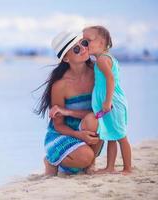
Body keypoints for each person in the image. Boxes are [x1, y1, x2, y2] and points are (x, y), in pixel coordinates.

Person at [35, 30, 103, 175]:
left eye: (84, 43)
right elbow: (58, 124)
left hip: (87, 126)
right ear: (66, 58)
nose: (84, 49)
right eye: (76, 49)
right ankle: (51, 161)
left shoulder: (98, 73)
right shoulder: (60, 85)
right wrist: (79, 135)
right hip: (62, 134)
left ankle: (89, 164)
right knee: (85, 156)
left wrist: (69, 112)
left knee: (95, 119)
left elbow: (102, 111)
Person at [82, 25, 132, 174]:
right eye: (83, 41)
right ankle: (110, 167)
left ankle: (128, 168)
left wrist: (107, 101)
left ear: (102, 43)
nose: (84, 45)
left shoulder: (102, 60)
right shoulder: (103, 59)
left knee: (121, 136)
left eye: (87, 41)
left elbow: (111, 80)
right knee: (111, 135)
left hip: (112, 104)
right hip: (109, 103)